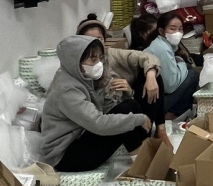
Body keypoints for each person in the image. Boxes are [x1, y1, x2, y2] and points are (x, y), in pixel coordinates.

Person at [40, 35, 152, 171]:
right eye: (93, 59)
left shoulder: (88, 78)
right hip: (65, 156)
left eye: (100, 57)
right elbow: (98, 123)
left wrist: (126, 95)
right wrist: (137, 120)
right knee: (128, 116)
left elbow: (109, 109)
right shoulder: (66, 89)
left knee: (129, 106)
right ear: (75, 61)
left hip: (81, 137)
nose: (99, 63)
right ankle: (142, 165)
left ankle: (145, 155)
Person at [143, 10, 200, 121]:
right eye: (172, 29)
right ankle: (173, 114)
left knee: (188, 69)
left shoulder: (163, 44)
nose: (177, 33)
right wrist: (181, 62)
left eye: (180, 29)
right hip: (153, 102)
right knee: (192, 75)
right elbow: (170, 86)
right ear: (161, 31)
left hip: (159, 95)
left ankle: (178, 112)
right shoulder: (162, 49)